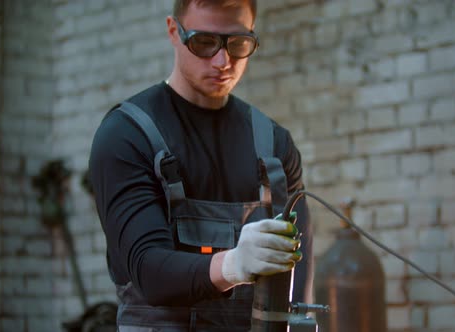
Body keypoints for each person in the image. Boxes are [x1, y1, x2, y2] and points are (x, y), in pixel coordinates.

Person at [89, 0, 313, 330]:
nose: (223, 61)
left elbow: (299, 269)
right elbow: (148, 271)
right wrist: (233, 264)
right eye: (204, 42)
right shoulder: (127, 136)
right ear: (173, 31)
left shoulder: (275, 145)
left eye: (238, 44)